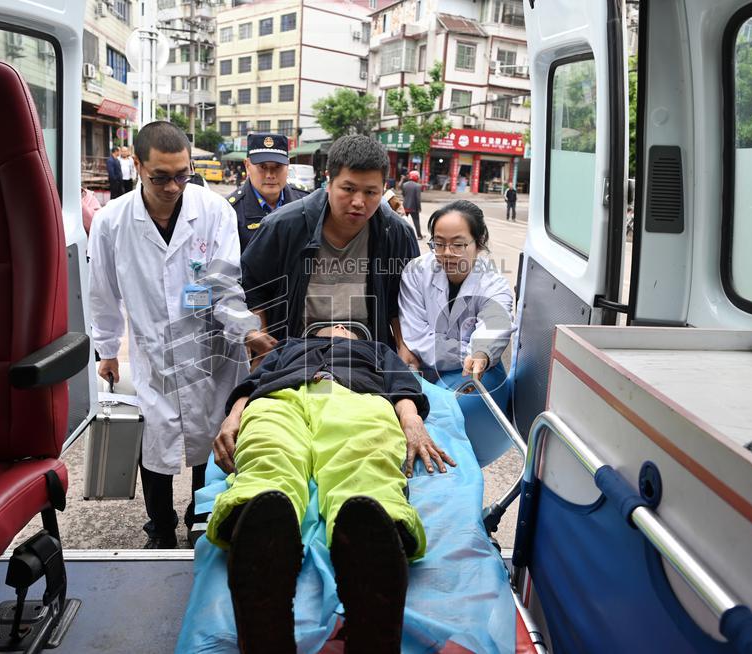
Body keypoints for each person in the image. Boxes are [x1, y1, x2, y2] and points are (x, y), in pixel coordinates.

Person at [208, 324, 455, 653]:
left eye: (348, 326)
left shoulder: (378, 350)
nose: (340, 325)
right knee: (267, 450)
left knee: (366, 456)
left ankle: (375, 535)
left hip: (358, 398)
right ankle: (257, 527)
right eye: (333, 324)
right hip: (280, 399)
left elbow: (402, 386)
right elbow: (251, 385)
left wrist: (412, 422)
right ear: (315, 333)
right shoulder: (287, 347)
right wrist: (232, 418)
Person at [88, 121, 276, 549]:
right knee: (155, 439)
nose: (174, 186)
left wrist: (247, 333)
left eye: (182, 174)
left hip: (213, 345)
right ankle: (159, 525)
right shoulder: (111, 222)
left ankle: (200, 514)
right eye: (161, 177)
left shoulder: (213, 212)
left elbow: (226, 286)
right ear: (137, 165)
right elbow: (102, 292)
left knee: (213, 435)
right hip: (155, 349)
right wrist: (107, 349)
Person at [241, 135, 420, 364]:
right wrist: (263, 348)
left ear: (384, 188)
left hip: (368, 357)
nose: (358, 201)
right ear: (328, 181)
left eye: (371, 192)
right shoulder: (284, 226)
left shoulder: (395, 234)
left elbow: (404, 299)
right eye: (348, 188)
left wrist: (404, 348)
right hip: (295, 356)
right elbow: (253, 286)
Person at [398, 200, 514, 390]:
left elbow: (495, 322)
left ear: (479, 242)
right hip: (424, 371)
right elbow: (416, 336)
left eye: (458, 245)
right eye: (439, 244)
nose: (447, 253)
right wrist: (468, 350)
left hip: (476, 372)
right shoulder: (416, 272)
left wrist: (481, 351)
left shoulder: (493, 283)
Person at [226, 133, 309, 253]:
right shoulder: (230, 211)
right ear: (247, 165)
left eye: (278, 166)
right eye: (263, 167)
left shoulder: (305, 202)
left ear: (287, 165)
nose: (270, 175)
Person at [401, 170, 424, 239]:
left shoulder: (405, 184)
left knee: (403, 221)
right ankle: (419, 235)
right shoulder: (418, 186)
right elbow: (418, 198)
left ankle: (402, 234)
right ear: (417, 177)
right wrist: (419, 208)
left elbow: (403, 195)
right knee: (416, 221)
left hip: (405, 206)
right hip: (414, 207)